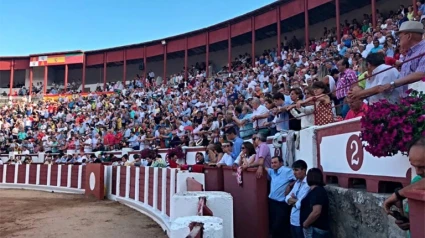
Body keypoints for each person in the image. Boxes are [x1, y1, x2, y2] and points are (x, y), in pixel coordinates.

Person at [349, 21, 425, 101]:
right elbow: (406, 76)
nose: (398, 40)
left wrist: (393, 83)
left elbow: (421, 74)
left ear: (409, 36)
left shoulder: (423, 49)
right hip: (409, 100)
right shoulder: (409, 53)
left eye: (400, 37)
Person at [383, 136, 425, 232]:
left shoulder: (409, 189)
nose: (418, 172)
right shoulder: (416, 182)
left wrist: (399, 194)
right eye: (415, 166)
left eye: (423, 167)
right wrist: (407, 222)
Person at [267, 156, 296, 238]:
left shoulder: (287, 171)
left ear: (281, 163)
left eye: (275, 162)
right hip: (272, 202)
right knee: (273, 224)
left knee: (279, 225)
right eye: (272, 163)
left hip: (282, 203)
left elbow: (297, 179)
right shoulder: (272, 171)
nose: (273, 164)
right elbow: (264, 168)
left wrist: (289, 185)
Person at [301, 168, 330, 238]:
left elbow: (316, 212)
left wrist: (306, 223)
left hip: (315, 229)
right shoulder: (314, 190)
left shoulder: (318, 192)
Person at [285, 160, 310, 238]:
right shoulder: (297, 183)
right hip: (293, 219)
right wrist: (295, 200)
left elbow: (300, 204)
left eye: (296, 170)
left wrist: (292, 200)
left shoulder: (308, 184)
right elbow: (286, 198)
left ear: (304, 170)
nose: (294, 172)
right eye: (293, 170)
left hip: (301, 220)